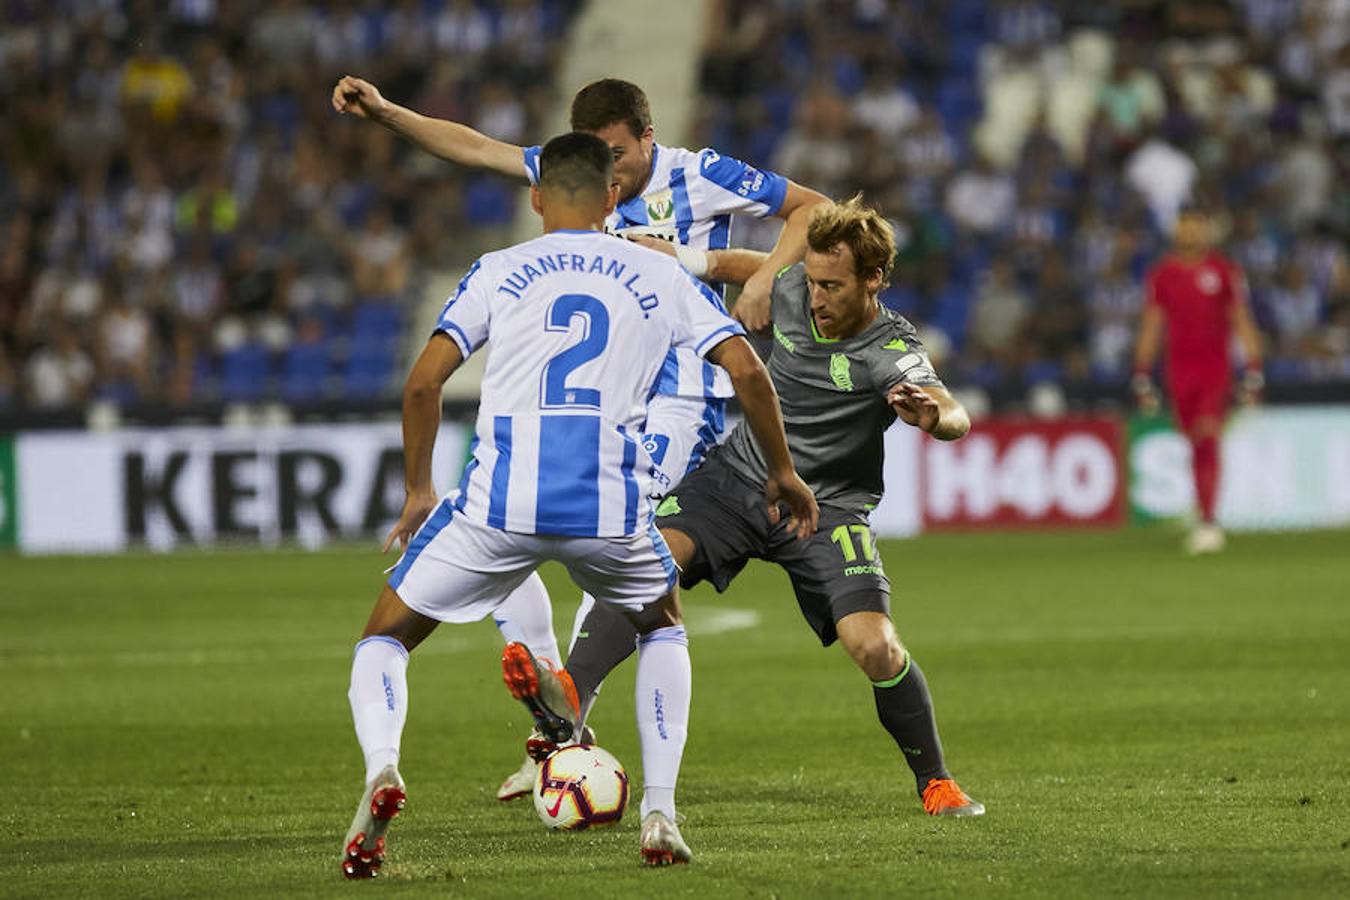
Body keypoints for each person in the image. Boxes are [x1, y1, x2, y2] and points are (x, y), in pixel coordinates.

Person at [332, 74, 830, 794]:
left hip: (678, 396)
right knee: (522, 518)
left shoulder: (703, 174)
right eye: (597, 158)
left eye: (621, 155)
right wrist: (385, 113)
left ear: (648, 137)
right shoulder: (579, 171)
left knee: (593, 523)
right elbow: (472, 147)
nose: (610, 172)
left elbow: (812, 210)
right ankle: (558, 720)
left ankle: (557, 723)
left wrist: (760, 281)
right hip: (598, 395)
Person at [518, 196, 986, 818]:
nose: (815, 297)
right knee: (647, 561)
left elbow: (950, 409)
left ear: (874, 279)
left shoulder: (888, 346)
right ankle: (567, 698)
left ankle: (937, 782)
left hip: (827, 510)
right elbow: (744, 265)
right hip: (740, 480)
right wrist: (677, 256)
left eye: (833, 286)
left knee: (876, 648)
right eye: (813, 281)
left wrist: (935, 417)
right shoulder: (794, 286)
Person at [1133, 205, 1264, 555]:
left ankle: (1208, 522)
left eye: (1195, 227)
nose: (1189, 233)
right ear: (1176, 231)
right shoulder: (1162, 275)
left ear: (1205, 231)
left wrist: (1253, 367)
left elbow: (1240, 319)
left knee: (1208, 436)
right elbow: (1152, 324)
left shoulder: (1223, 270)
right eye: (1184, 227)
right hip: (1178, 370)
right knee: (1194, 443)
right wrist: (1142, 373)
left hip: (1214, 369)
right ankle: (1204, 515)